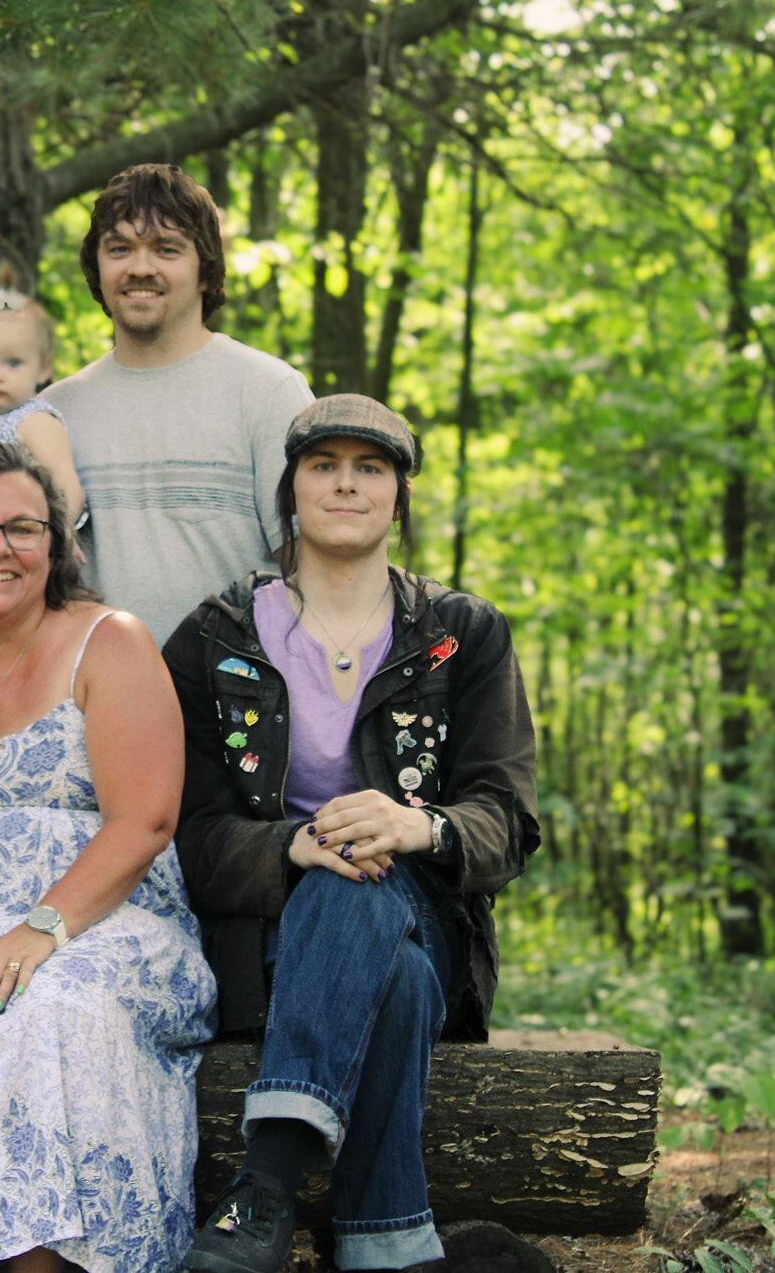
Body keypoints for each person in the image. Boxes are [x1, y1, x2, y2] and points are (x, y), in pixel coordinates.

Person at [164, 395, 543, 1273]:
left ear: (399, 496)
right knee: (385, 962)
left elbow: (508, 817)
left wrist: (419, 826)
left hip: (430, 918)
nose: (345, 483)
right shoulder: (213, 636)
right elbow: (187, 832)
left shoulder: (463, 634)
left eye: (370, 468)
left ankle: (266, 1183)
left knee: (369, 888)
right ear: (289, 488)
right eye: (323, 464)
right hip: (264, 942)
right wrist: (289, 847)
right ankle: (388, 1247)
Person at [0, 441, 216, 1273]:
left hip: (103, 919)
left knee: (56, 1003)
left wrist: (42, 926)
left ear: (56, 546)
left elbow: (145, 821)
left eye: (23, 527)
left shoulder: (108, 640)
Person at [45, 163, 315, 647]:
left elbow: (319, 574)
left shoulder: (269, 392)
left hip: (237, 707)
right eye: (120, 248)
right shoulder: (51, 414)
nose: (140, 267)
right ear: (97, 268)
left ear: (206, 271)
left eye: (167, 249)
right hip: (95, 706)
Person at [0, 266, 84, 530]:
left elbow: (67, 485)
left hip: (23, 533)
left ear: (43, 368)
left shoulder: (34, 421)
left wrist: (59, 534)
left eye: (13, 363)